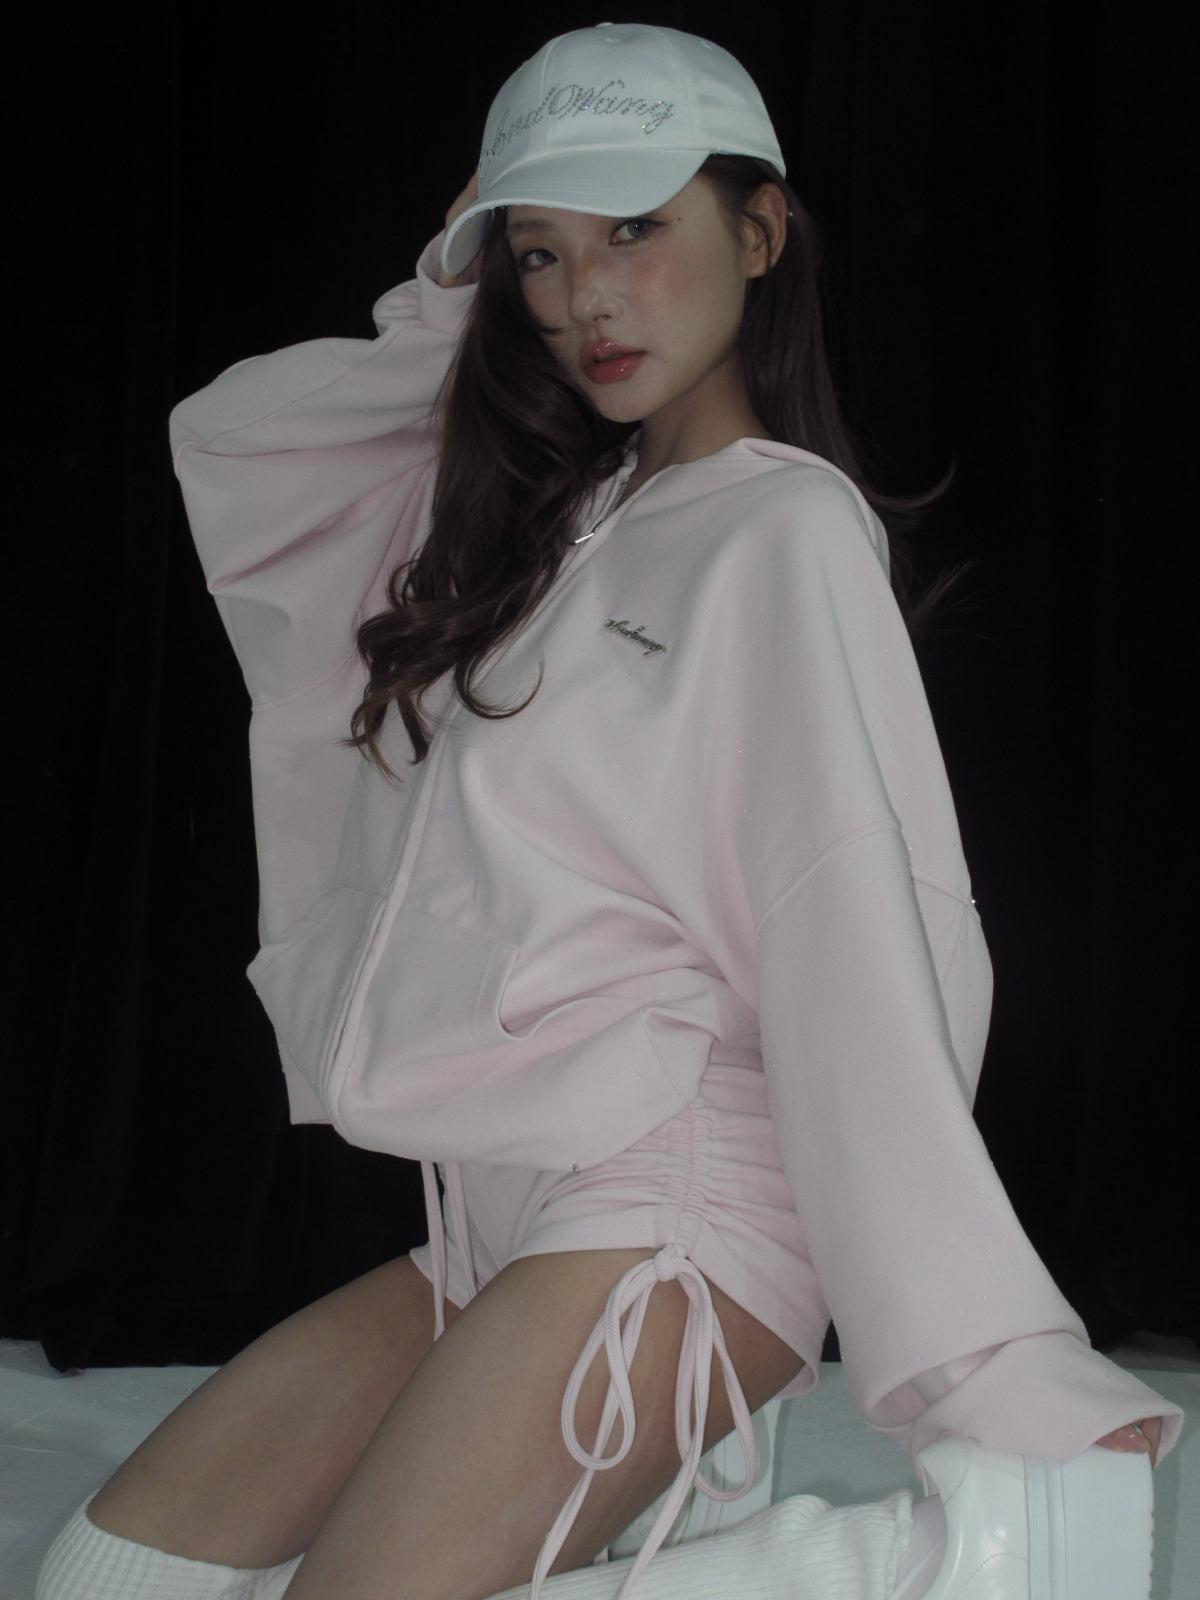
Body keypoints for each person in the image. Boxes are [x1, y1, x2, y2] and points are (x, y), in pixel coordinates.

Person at [36, 22, 1180, 1600]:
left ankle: (953, 1557)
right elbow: (246, 449)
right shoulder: (559, 524)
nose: (585, 298)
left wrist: (981, 1359)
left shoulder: (783, 529)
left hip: (680, 1203)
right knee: (109, 1577)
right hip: (499, 1219)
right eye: (541, 253)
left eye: (635, 228)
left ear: (761, 232)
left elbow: (857, 925)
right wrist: (448, 294)